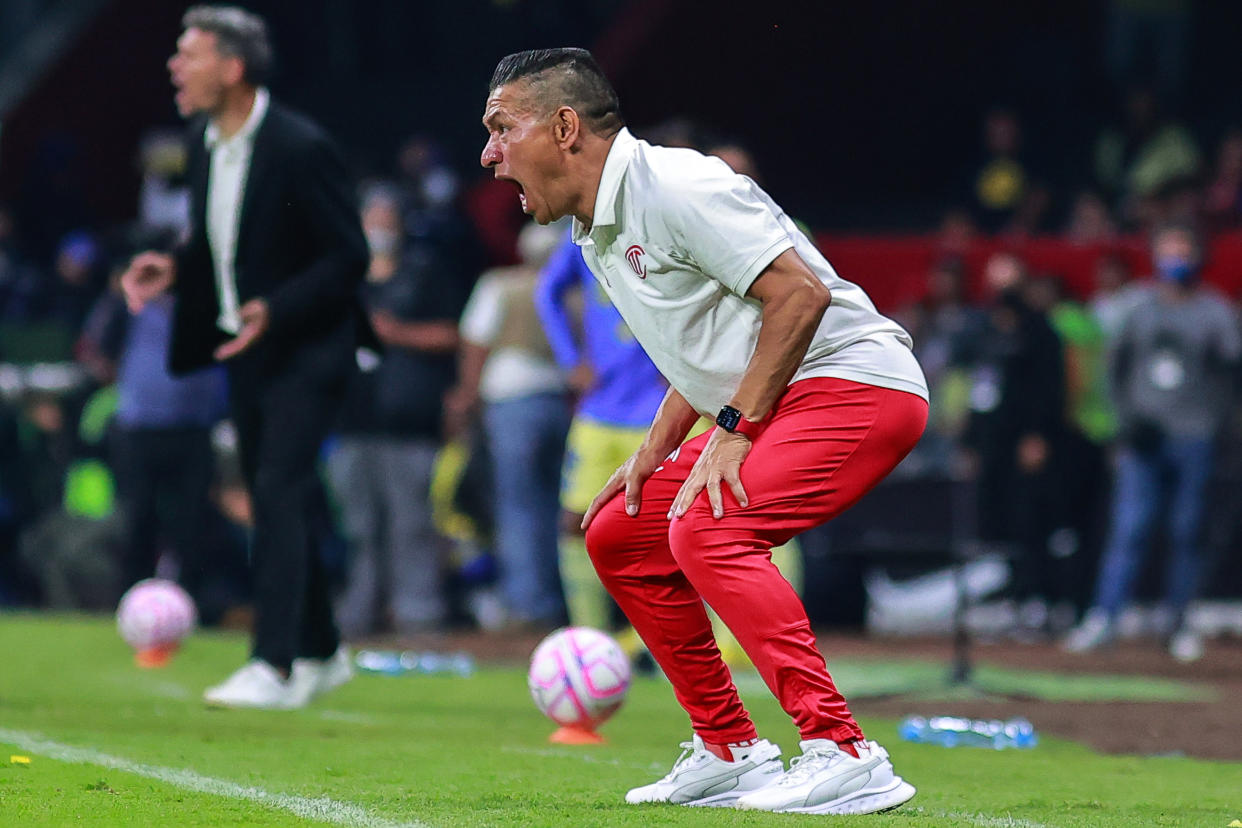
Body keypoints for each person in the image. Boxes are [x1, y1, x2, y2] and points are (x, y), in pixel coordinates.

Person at [481, 48, 927, 815]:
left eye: (500, 129)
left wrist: (733, 428)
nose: (489, 156)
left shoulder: (678, 185)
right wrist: (656, 451)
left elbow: (800, 297)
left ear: (564, 128)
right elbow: (702, 348)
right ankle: (729, 749)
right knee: (621, 530)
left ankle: (845, 752)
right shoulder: (597, 225)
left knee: (709, 529)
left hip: (856, 382)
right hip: (784, 393)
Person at [120, 6, 368, 709]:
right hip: (246, 350)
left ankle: (275, 663)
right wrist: (171, 267)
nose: (175, 67)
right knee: (275, 492)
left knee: (278, 489)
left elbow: (348, 255)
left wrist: (276, 308)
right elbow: (213, 240)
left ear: (231, 69)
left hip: (308, 347)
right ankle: (321, 650)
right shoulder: (202, 140)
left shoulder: (298, 145)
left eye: (188, 55)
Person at [1066, 223, 1241, 662]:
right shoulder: (1139, 309)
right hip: (1143, 438)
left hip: (1194, 436)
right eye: (1168, 249)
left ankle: (1179, 624)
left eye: (1183, 249)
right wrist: (1125, 422)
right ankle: (1104, 618)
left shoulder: (1214, 312)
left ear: (1199, 255)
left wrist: (1219, 424)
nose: (1175, 257)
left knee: (1187, 531)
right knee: (1130, 529)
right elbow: (1114, 368)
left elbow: (1230, 373)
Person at [327, 184, 472, 637]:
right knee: (359, 525)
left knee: (412, 522)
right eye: (372, 217)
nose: (379, 227)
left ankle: (418, 613)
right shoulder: (344, 277)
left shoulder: (424, 272)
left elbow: (455, 333)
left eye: (386, 218)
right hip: (352, 420)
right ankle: (360, 611)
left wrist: (396, 333)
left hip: (410, 422)